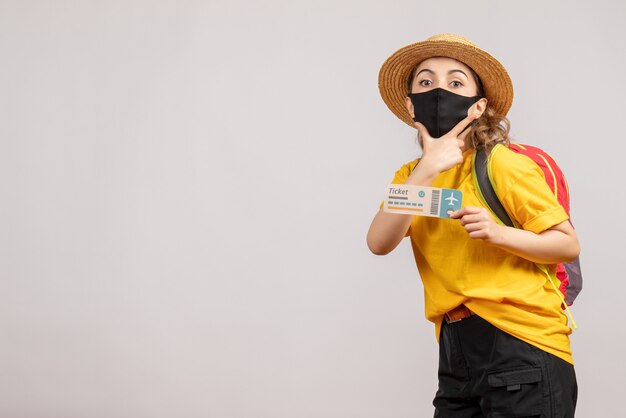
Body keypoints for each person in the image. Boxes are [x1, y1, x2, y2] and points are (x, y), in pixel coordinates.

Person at [367, 33, 580, 417]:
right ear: (410, 104)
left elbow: (566, 244)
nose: (439, 91)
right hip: (456, 349)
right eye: (426, 82)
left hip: (523, 342)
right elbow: (379, 241)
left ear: (478, 106)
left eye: (455, 82)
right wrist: (428, 167)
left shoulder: (502, 164)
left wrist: (499, 233)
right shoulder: (411, 177)